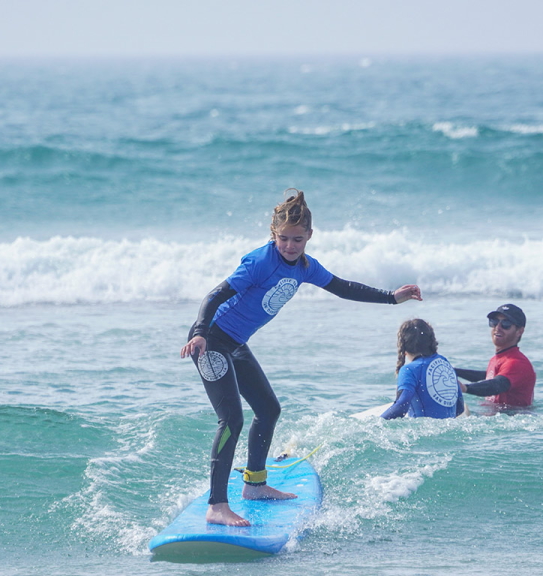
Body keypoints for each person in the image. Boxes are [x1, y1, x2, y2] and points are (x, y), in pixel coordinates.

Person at [180, 189, 422, 527]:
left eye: (297, 239)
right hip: (210, 341)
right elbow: (215, 295)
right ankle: (217, 505)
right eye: (283, 238)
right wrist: (199, 332)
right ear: (273, 234)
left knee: (268, 409)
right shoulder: (260, 262)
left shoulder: (306, 267)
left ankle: (255, 484)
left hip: (235, 343)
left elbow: (342, 287)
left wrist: (391, 297)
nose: (290, 246)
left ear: (309, 235)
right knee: (231, 419)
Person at [380, 319, 465, 420]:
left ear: (403, 349)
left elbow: (401, 406)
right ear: (431, 342)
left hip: (424, 429)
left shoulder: (409, 370)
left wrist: (377, 423)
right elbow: (460, 407)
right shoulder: (444, 363)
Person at [455, 304, 535, 409]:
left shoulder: (517, 362)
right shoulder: (498, 359)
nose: (498, 327)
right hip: (495, 414)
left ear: (519, 331)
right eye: (494, 322)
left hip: (511, 416)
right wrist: (453, 371)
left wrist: (465, 388)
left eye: (506, 324)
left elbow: (497, 384)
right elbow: (489, 376)